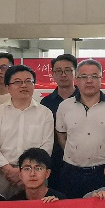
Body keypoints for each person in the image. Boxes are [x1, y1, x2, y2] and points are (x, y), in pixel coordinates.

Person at [55, 59, 105, 199]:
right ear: (76, 79)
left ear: (101, 79)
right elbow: (61, 135)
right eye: (84, 77)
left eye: (94, 76)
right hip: (71, 172)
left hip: (103, 172)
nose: (89, 81)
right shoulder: (64, 106)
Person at [0, 65, 55, 199]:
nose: (23, 85)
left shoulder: (45, 113)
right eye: (17, 82)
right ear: (7, 87)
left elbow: (46, 147)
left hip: (35, 175)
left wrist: (26, 171)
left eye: (28, 81)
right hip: (2, 174)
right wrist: (9, 170)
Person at [40, 53, 79, 190]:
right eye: (58, 71)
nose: (63, 75)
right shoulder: (45, 103)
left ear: (75, 73)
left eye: (67, 70)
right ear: (53, 74)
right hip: (54, 162)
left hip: (80, 161)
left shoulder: (85, 99)